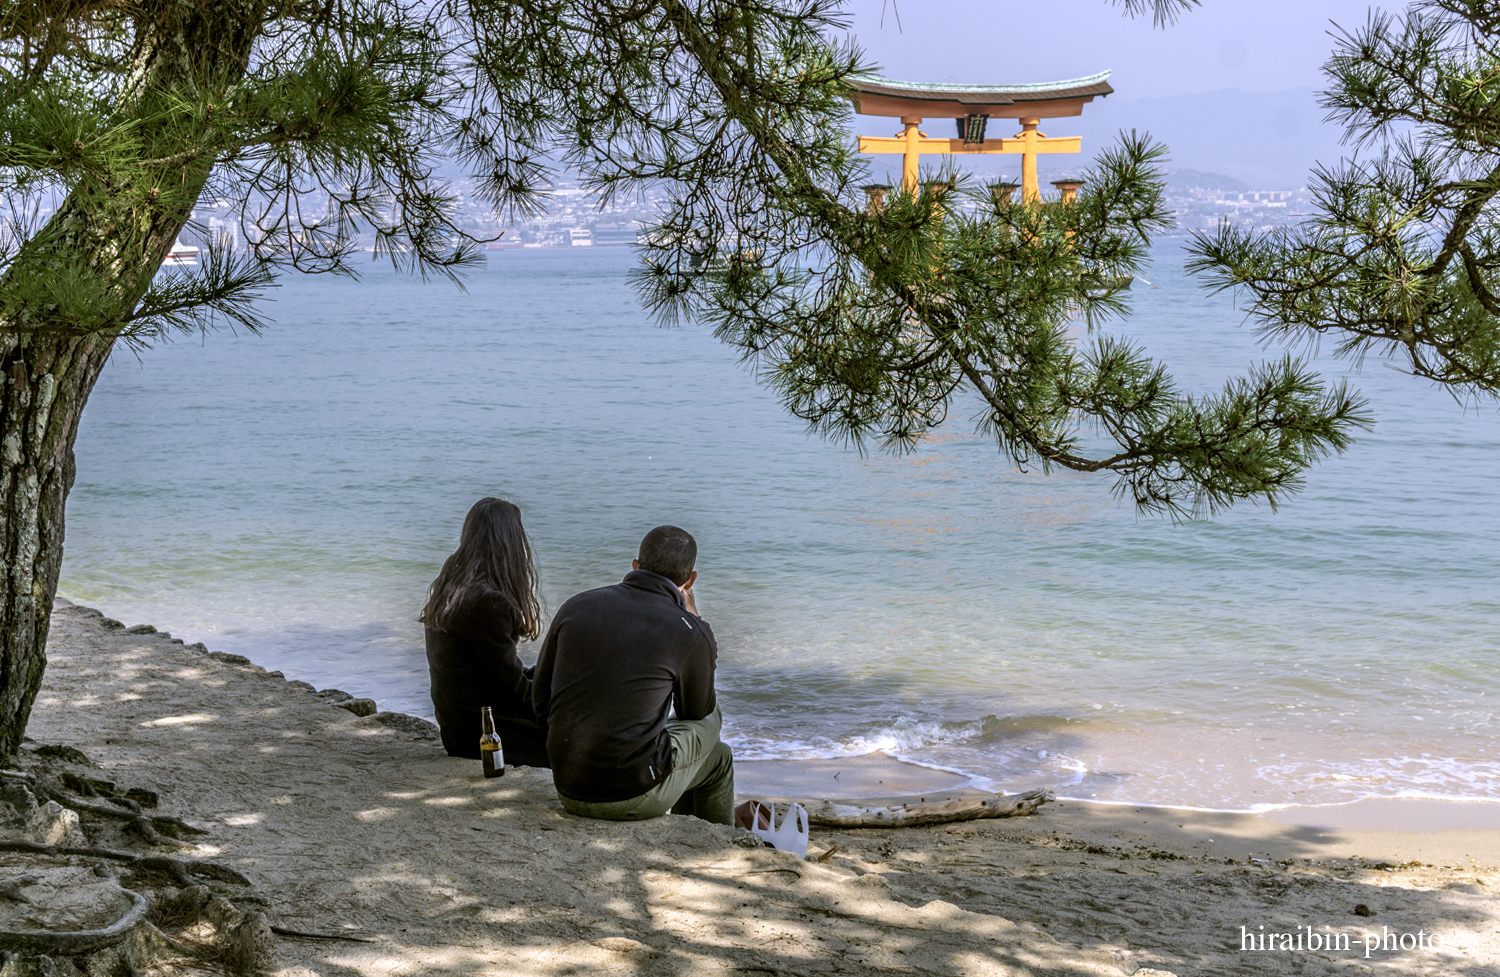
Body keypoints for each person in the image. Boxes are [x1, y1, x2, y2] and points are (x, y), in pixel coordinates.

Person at [532, 525, 733, 824]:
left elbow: (540, 700)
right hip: (629, 795)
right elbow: (695, 711)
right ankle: (718, 845)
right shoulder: (688, 630)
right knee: (712, 719)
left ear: (636, 566)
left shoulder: (576, 605)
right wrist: (697, 622)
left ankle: (690, 830)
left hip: (568, 785)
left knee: (717, 756)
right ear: (689, 580)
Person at [423, 497, 549, 768]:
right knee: (570, 743)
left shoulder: (452, 586)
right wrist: (554, 710)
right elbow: (509, 686)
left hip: (458, 725)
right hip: (482, 733)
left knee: (550, 672)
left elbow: (493, 673)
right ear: (511, 543)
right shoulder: (488, 602)